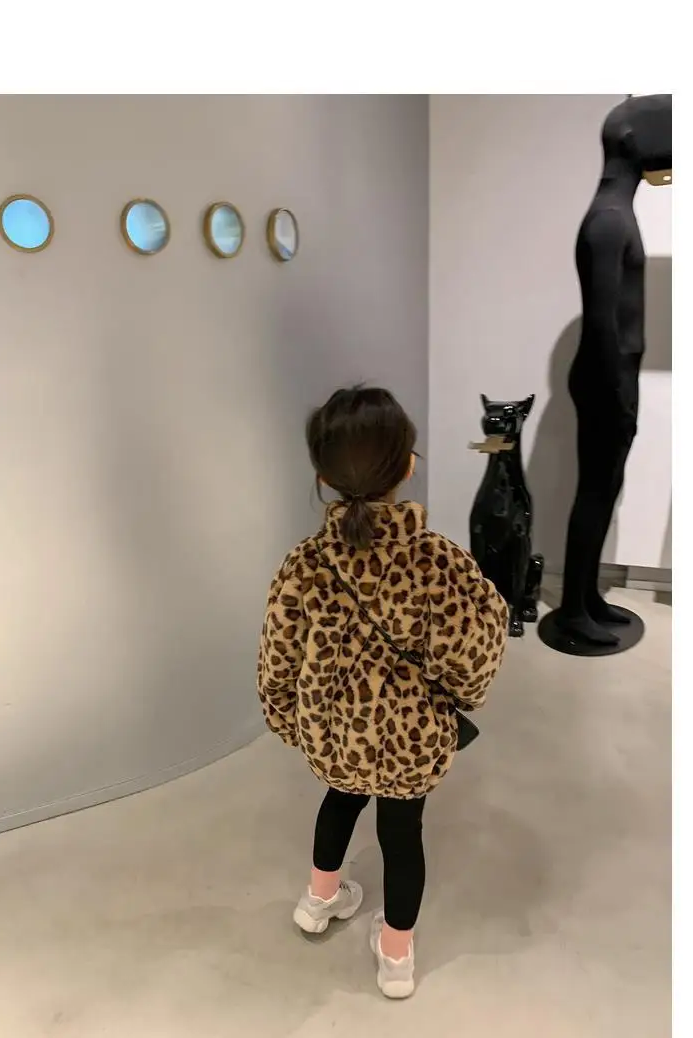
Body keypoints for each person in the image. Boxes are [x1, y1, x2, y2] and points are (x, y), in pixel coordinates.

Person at [257, 386, 509, 999]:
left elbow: (276, 664)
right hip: (412, 741)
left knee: (338, 801)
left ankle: (319, 900)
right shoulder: (440, 563)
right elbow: (477, 650)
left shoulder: (304, 566)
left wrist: (296, 726)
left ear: (323, 477)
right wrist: (460, 701)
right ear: (408, 466)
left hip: (335, 734)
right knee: (402, 836)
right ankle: (396, 955)